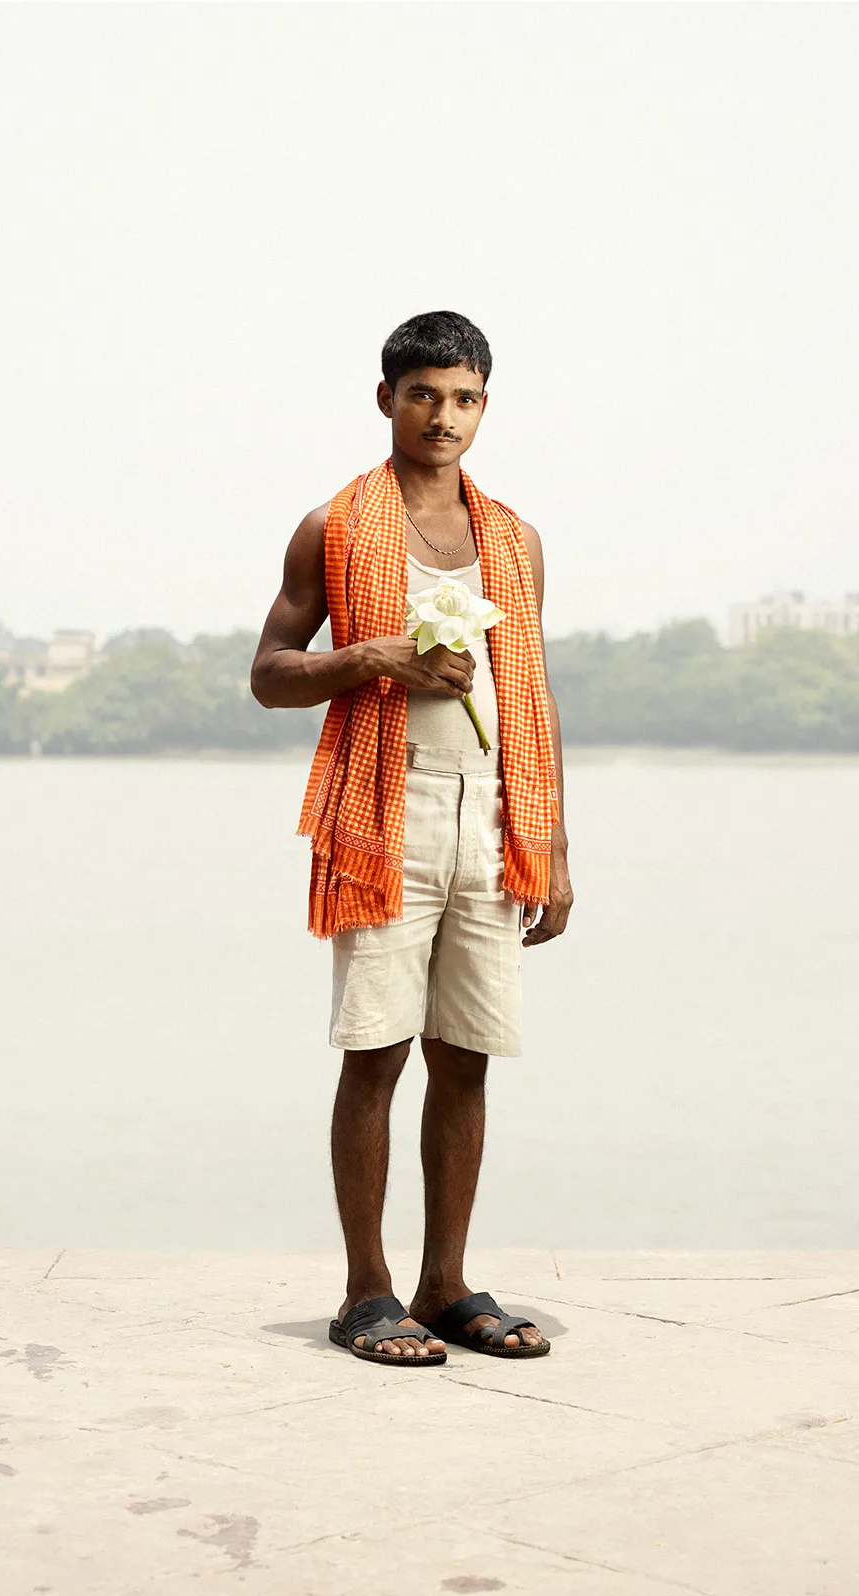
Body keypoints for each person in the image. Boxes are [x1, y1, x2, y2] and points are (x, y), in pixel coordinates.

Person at [250, 310, 573, 1366]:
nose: (444, 416)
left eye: (465, 397)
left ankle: (445, 1285)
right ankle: (365, 1291)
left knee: (468, 1055)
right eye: (424, 394)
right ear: (386, 398)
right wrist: (374, 655)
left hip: (493, 814)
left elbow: (534, 691)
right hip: (383, 814)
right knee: (378, 1052)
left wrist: (554, 843)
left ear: (486, 406)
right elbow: (269, 673)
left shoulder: (513, 536)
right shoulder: (333, 526)